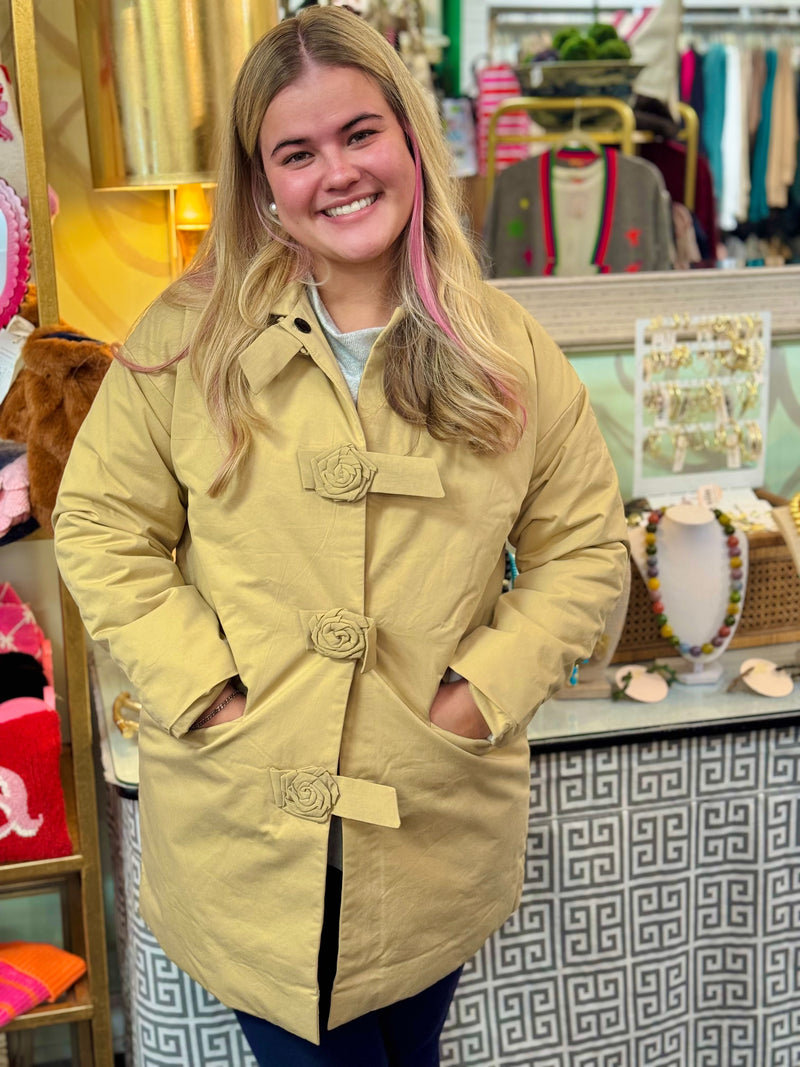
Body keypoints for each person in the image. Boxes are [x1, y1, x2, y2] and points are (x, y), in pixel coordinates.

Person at [53, 7, 629, 1065]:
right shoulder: (187, 337)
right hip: (244, 815)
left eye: (359, 133)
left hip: (430, 823)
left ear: (410, 138)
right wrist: (203, 686)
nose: (336, 172)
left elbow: (584, 550)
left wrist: (476, 693)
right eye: (295, 151)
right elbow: (98, 521)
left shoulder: (507, 351)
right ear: (261, 182)